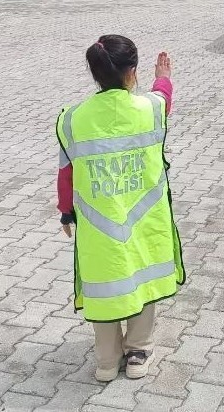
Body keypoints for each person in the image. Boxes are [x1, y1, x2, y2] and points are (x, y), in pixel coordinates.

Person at [56, 35, 184, 382]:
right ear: (132, 73)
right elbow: (164, 99)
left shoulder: (72, 119)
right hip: (145, 218)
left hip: (98, 225)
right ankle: (138, 352)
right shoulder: (149, 109)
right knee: (143, 281)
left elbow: (66, 172)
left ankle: (107, 362)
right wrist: (163, 77)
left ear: (95, 74)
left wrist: (66, 212)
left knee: (105, 286)